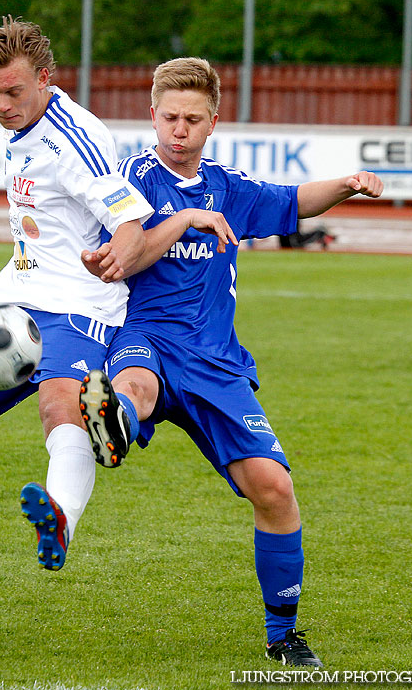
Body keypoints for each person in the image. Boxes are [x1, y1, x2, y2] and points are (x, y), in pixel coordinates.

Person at [78, 57, 384, 667]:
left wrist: (347, 183)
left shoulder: (229, 185)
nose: (179, 130)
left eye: (192, 119)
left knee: (274, 489)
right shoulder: (127, 183)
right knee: (133, 386)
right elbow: (124, 257)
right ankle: (112, 422)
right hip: (146, 339)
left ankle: (284, 635)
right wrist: (185, 220)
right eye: (169, 118)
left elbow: (296, 202)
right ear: (152, 116)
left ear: (213, 121)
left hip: (217, 364)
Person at [0, 15, 157, 632]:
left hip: (78, 305)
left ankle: (60, 518)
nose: (2, 105)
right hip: (11, 309)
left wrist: (119, 251)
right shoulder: (22, 125)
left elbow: (128, 216)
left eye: (14, 91)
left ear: (46, 77)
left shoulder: (73, 134)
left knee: (60, 409)